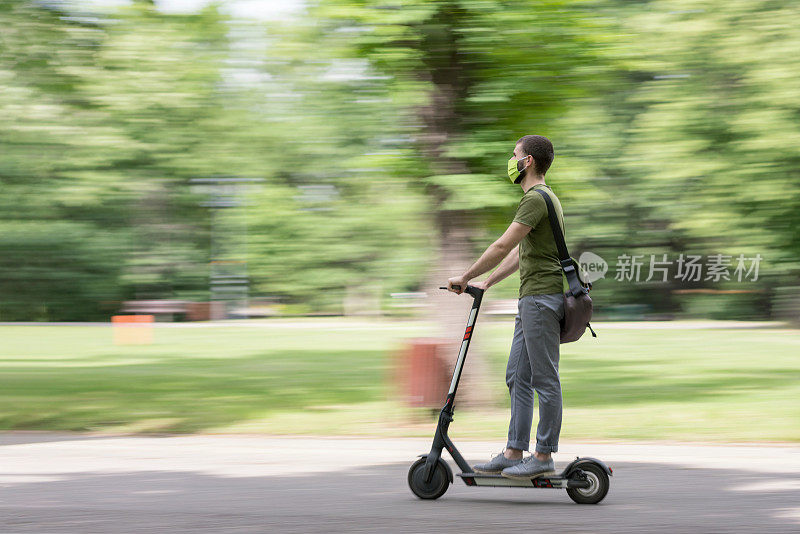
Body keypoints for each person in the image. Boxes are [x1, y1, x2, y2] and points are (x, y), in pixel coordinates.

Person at [446, 134, 566, 480]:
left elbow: (501, 245)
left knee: (545, 379)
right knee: (518, 376)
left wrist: (465, 275)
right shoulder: (542, 199)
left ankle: (543, 455)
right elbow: (519, 253)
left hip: (541, 300)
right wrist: (486, 282)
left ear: (528, 161)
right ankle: (515, 450)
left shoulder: (535, 199)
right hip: (532, 299)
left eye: (514, 155)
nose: (510, 161)